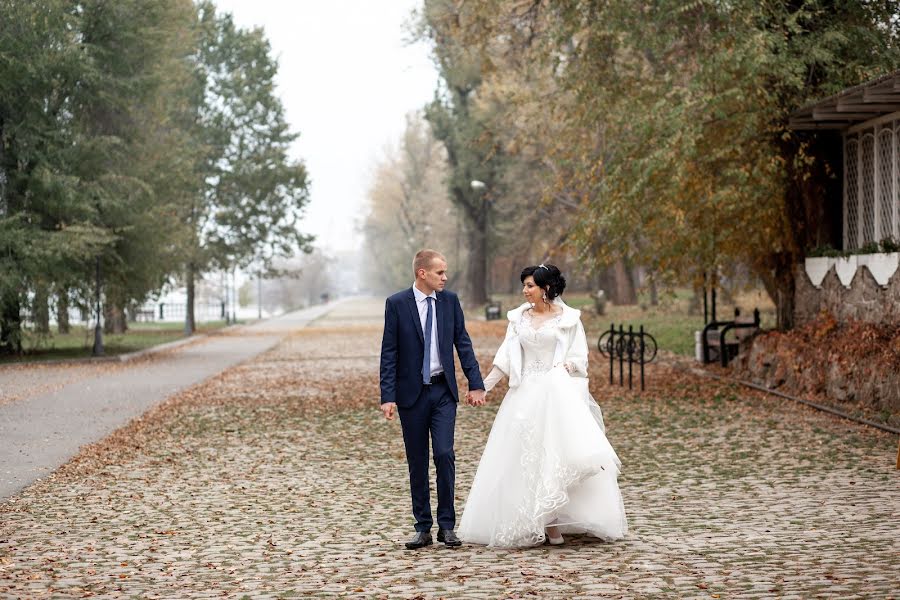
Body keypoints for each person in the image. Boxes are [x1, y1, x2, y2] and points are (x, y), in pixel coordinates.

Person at [457, 264, 628, 547]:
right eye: (524, 285)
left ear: (545, 288)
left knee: (553, 456)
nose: (525, 291)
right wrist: (483, 387)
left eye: (530, 286)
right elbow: (505, 358)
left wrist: (566, 366)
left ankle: (554, 520)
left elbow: (580, 357)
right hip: (524, 395)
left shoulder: (569, 319)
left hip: (556, 394)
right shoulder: (518, 319)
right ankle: (539, 522)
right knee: (526, 457)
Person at [380, 249, 486, 550]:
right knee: (417, 461)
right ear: (422, 273)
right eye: (440, 272)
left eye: (446, 272)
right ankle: (423, 527)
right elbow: (389, 352)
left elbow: (462, 343)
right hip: (411, 395)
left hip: (442, 392)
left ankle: (447, 526)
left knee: (444, 453)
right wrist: (387, 396)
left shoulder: (450, 302)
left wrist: (475, 384)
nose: (445, 277)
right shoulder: (397, 304)